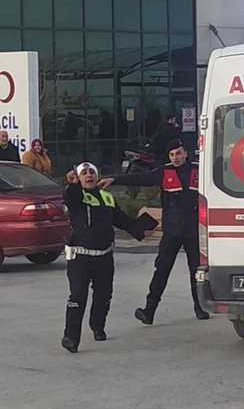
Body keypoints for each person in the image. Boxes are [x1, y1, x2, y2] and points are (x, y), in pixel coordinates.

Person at [101, 139, 208, 323]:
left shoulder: (199, 170)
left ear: (185, 153)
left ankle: (200, 308)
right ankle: (149, 311)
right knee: (162, 271)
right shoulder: (164, 172)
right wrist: (115, 179)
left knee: (196, 271)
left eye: (178, 153)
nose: (175, 157)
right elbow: (140, 179)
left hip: (194, 231)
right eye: (172, 155)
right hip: (172, 232)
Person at [61, 162, 151, 353]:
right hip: (80, 257)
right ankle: (71, 337)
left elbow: (121, 220)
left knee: (103, 296)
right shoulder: (76, 195)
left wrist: (141, 230)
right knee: (78, 296)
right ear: (79, 178)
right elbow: (70, 197)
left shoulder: (107, 196)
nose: (88, 175)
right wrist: (73, 184)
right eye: (84, 173)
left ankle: (97, 326)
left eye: (91, 172)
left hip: (104, 257)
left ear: (97, 175)